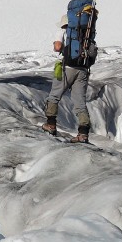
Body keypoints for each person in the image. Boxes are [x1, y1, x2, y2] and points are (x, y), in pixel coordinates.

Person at [43, 9, 96, 143]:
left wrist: (58, 47)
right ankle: (83, 134)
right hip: (83, 69)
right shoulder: (85, 33)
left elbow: (57, 46)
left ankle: (50, 124)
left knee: (54, 95)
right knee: (79, 102)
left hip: (67, 67)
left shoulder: (62, 31)